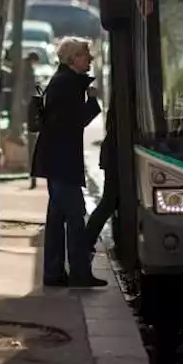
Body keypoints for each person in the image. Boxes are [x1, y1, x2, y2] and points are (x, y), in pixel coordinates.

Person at [30, 36, 107, 289]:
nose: (91, 59)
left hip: (57, 160)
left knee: (57, 219)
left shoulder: (63, 81)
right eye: (86, 54)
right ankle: (79, 273)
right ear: (74, 58)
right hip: (62, 161)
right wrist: (92, 101)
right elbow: (72, 123)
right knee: (74, 217)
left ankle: (54, 273)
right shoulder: (68, 84)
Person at [83, 125, 118, 255]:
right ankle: (87, 239)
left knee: (108, 204)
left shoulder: (111, 136)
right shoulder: (114, 138)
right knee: (108, 204)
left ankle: (87, 239)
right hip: (113, 164)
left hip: (111, 161)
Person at [24, 50, 42, 190]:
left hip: (29, 112)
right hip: (29, 113)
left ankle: (33, 177)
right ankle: (33, 177)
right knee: (32, 146)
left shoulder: (26, 71)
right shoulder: (27, 72)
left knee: (33, 146)